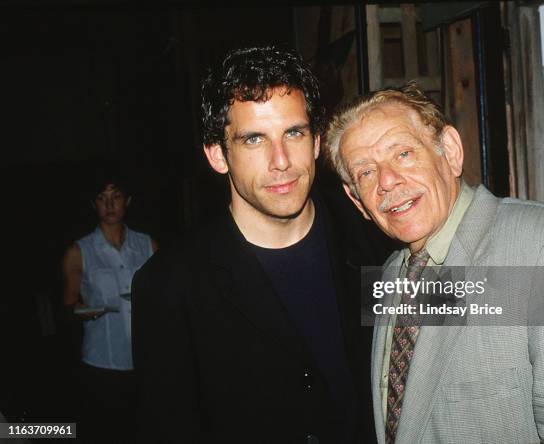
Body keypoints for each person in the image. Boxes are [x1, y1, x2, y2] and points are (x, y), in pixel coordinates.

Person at [323, 82, 544, 443]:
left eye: (403, 154)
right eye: (366, 172)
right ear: (357, 200)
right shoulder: (389, 274)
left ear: (451, 151)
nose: (387, 181)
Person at [131, 46, 374, 443]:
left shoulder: (372, 236)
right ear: (217, 155)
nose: (281, 160)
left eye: (293, 133)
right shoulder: (170, 285)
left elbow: (492, 306)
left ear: (316, 141)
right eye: (253, 140)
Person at [62, 172, 157, 442]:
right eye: (102, 199)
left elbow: (163, 297)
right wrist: (86, 310)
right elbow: (68, 308)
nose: (110, 204)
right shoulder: (79, 251)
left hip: (144, 360)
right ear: (94, 205)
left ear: (127, 201)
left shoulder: (147, 244)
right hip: (102, 360)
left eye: (115, 197)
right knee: (107, 431)